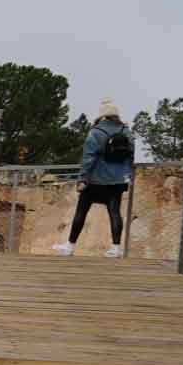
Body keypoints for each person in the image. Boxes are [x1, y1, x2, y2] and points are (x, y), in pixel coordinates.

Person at [53, 100, 134, 256]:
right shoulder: (126, 131)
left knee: (81, 211)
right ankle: (116, 248)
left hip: (95, 180)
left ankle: (70, 246)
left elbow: (88, 158)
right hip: (117, 180)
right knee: (115, 212)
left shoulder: (96, 132)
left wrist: (82, 178)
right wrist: (127, 175)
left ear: (102, 116)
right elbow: (130, 156)